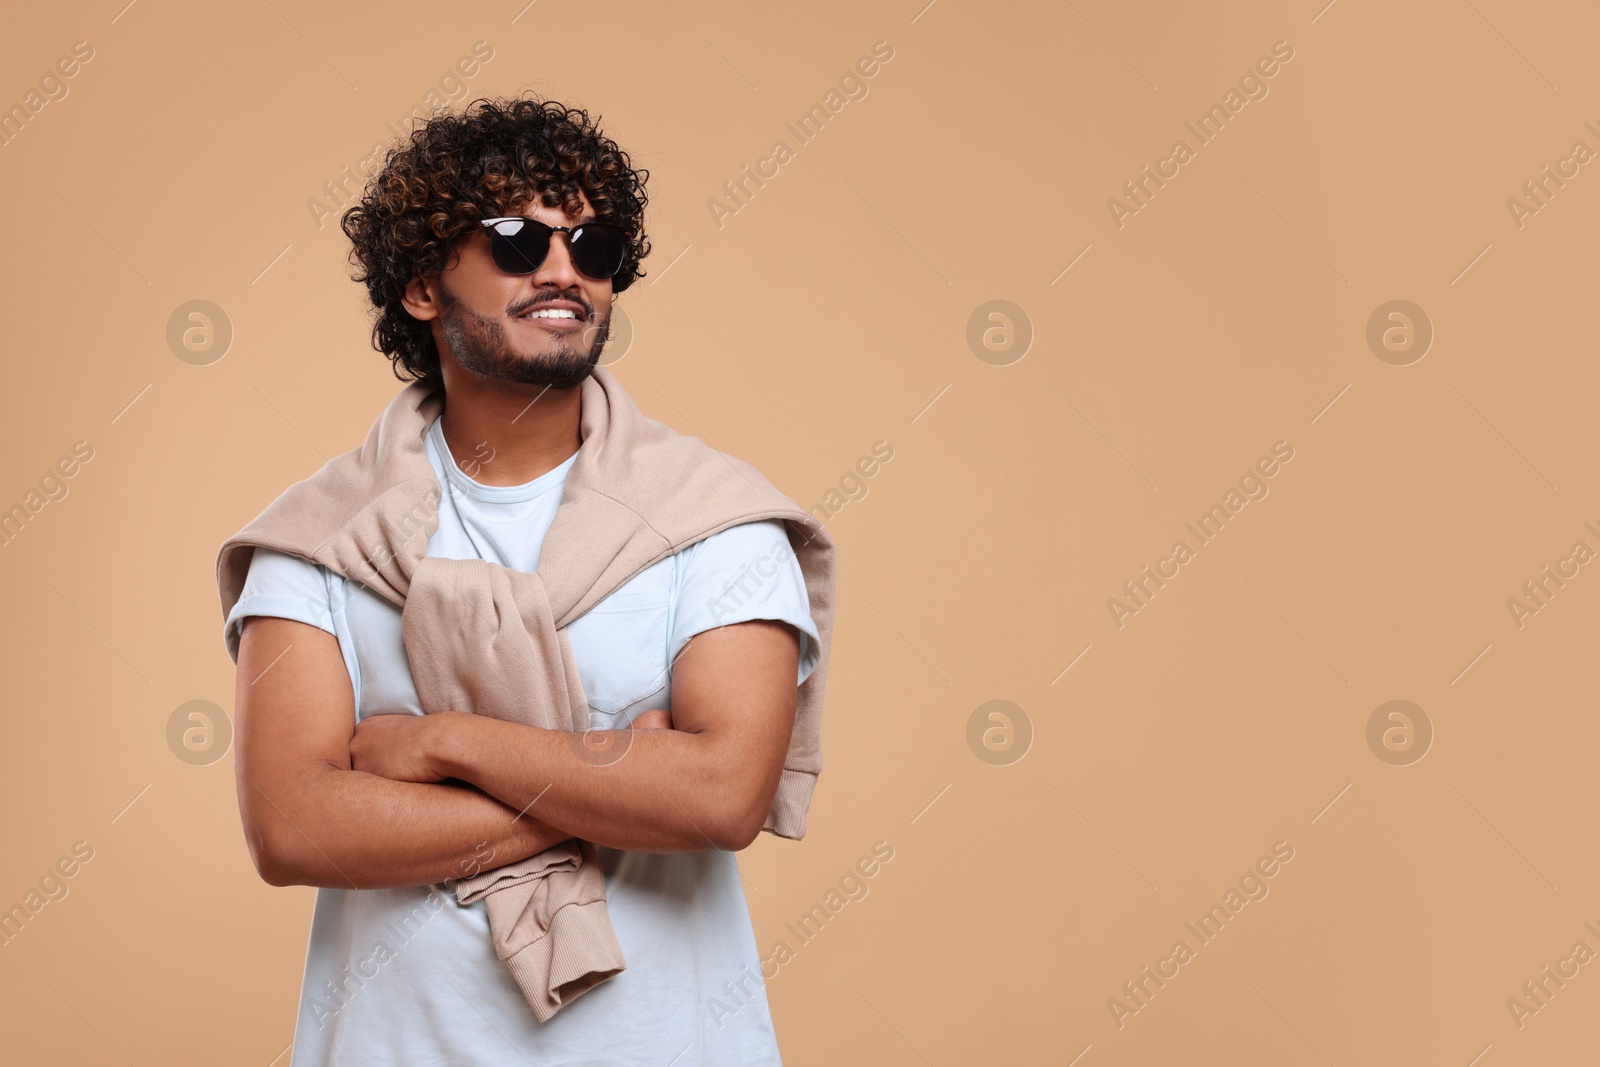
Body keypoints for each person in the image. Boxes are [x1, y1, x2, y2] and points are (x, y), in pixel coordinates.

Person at [225, 96, 821, 1065]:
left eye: (593, 244)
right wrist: (612, 779)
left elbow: (719, 798)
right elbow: (293, 826)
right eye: (514, 239)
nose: (562, 269)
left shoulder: (713, 519)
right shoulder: (317, 538)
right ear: (422, 285)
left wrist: (438, 743)